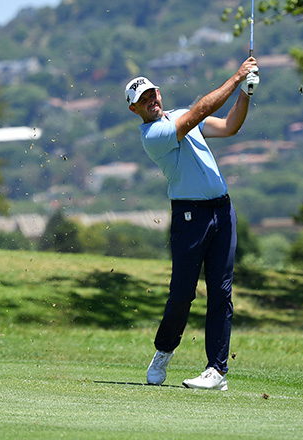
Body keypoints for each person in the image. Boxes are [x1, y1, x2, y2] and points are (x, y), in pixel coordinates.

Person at [124, 56, 259, 390]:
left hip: (222, 212)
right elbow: (198, 113)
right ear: (135, 110)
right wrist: (236, 76)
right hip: (189, 217)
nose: (151, 100)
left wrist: (246, 92)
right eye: (143, 100)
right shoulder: (154, 134)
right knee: (182, 294)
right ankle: (164, 351)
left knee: (221, 292)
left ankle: (217, 370)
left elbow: (229, 127)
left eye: (153, 93)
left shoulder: (181, 115)